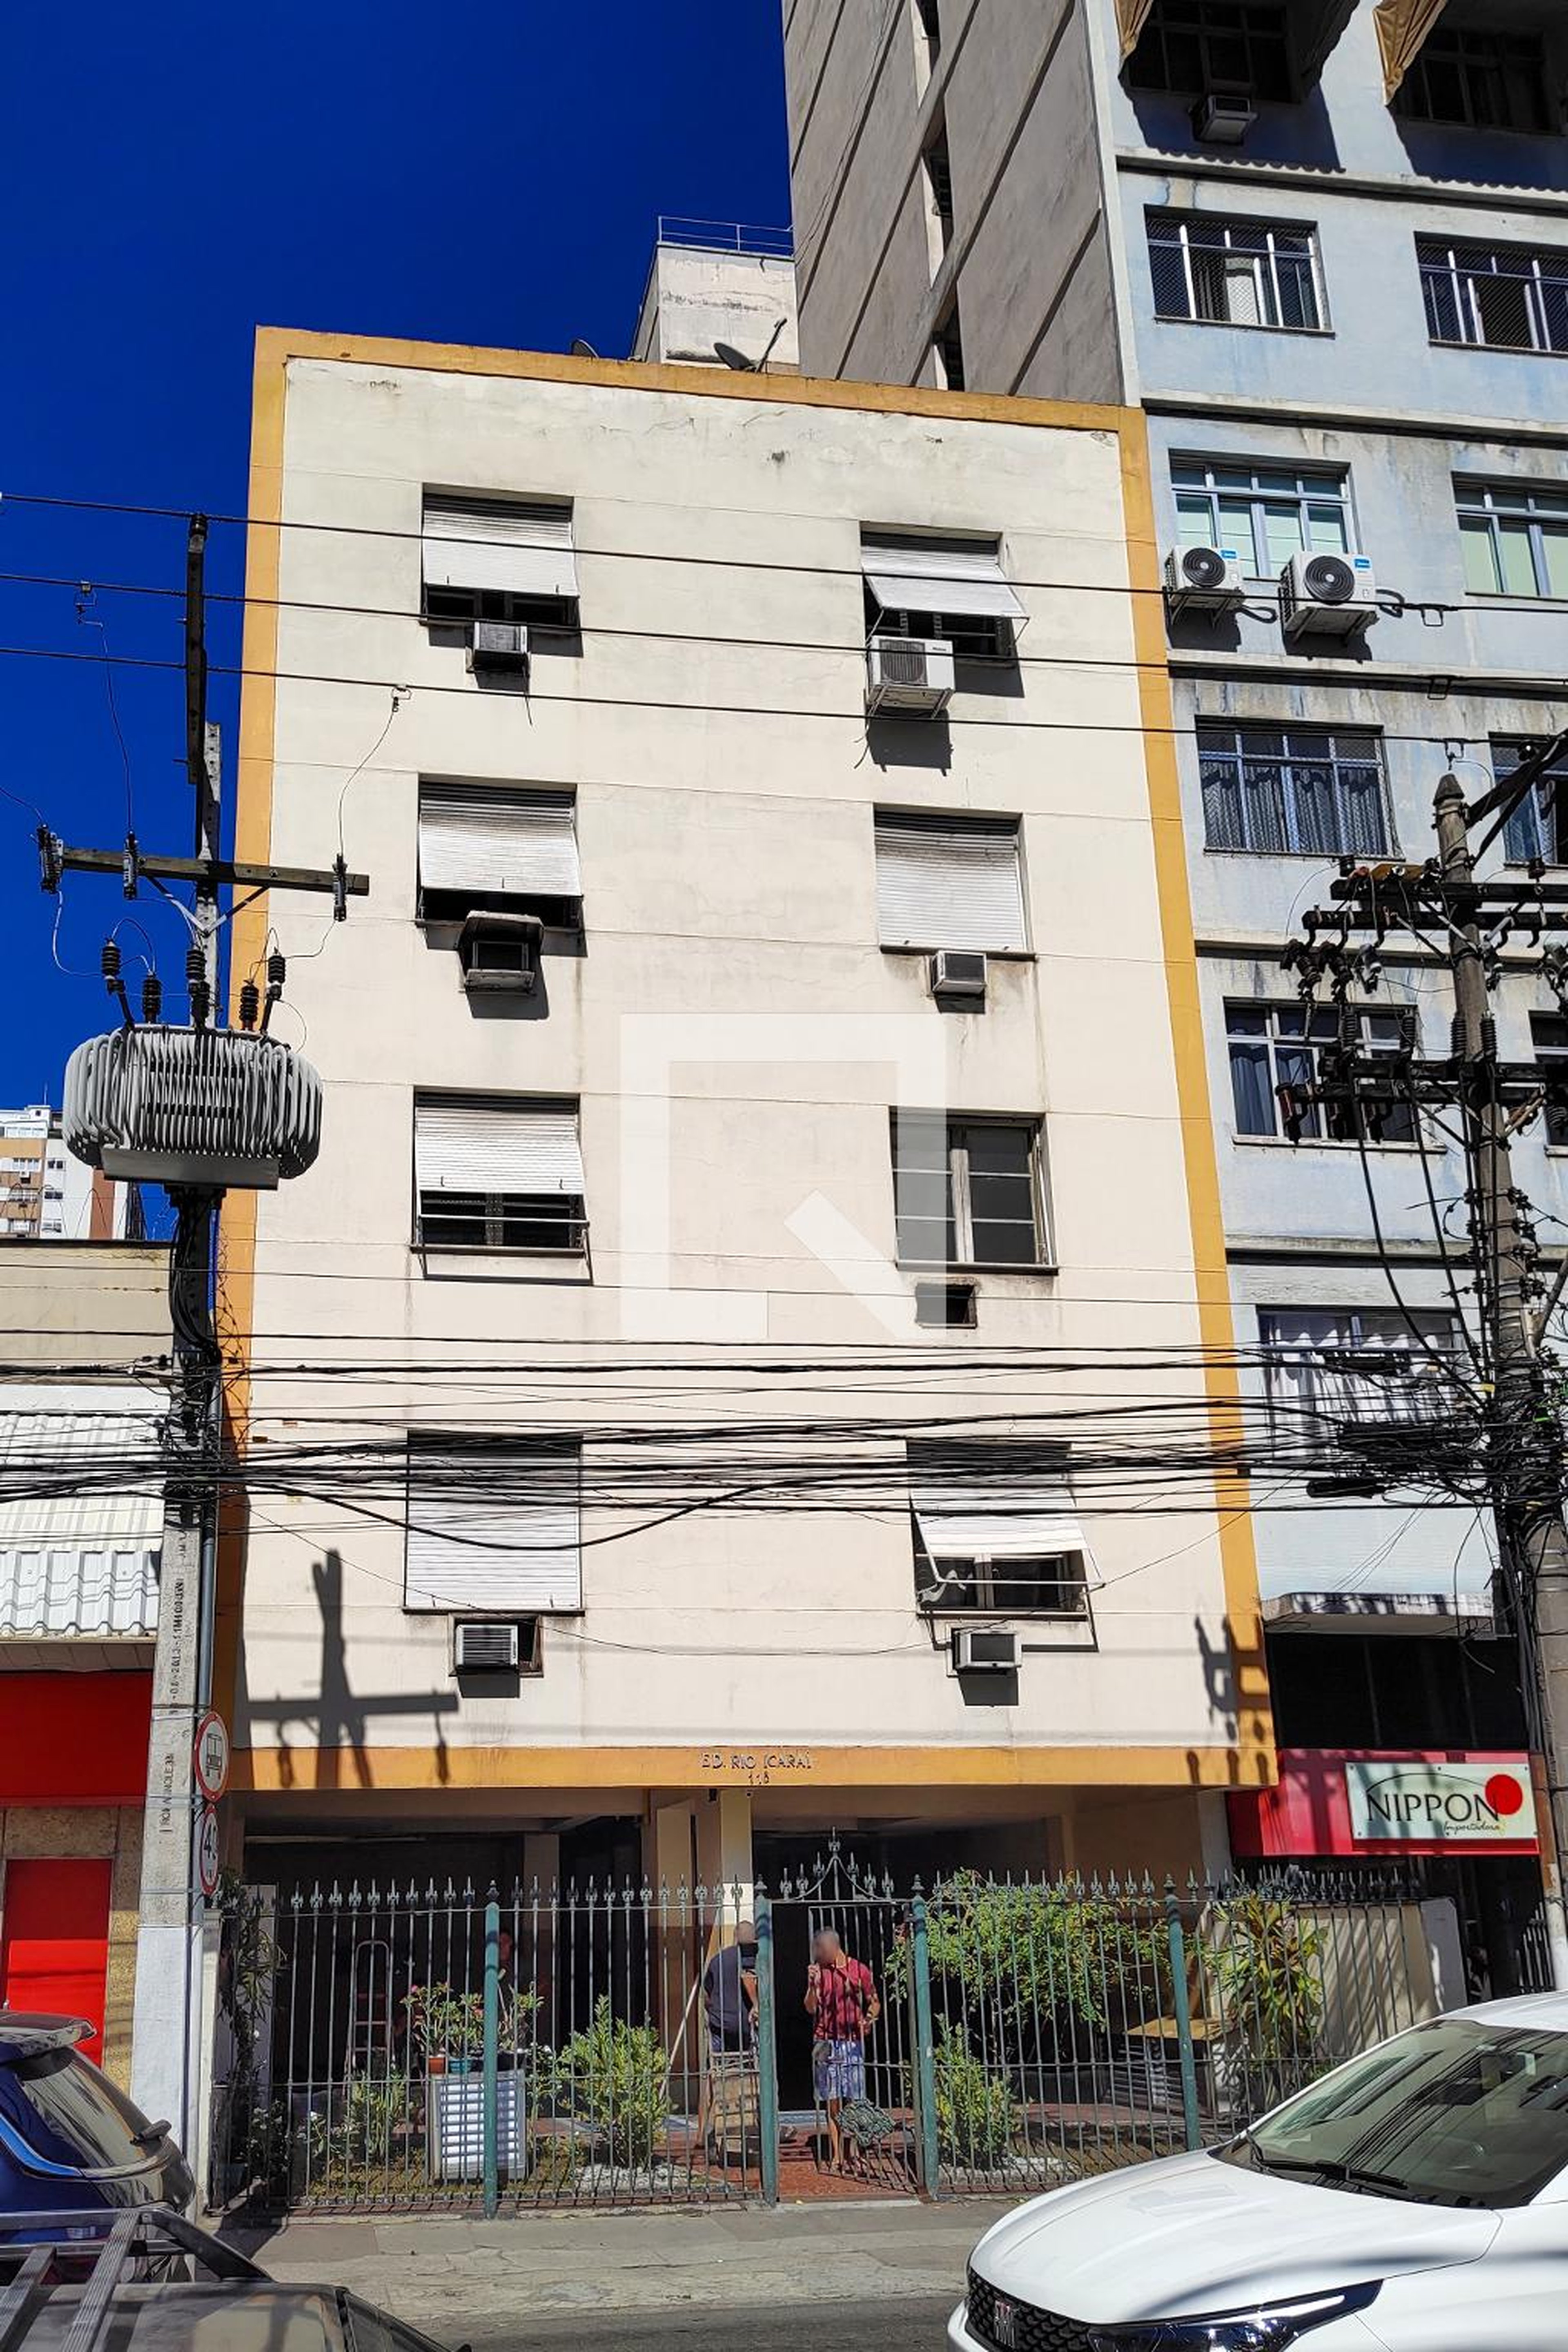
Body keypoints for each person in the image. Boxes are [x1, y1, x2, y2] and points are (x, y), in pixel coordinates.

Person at [805, 1926, 880, 2176]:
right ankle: (837, 2154)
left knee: (855, 2099)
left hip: (852, 2041)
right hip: (825, 2041)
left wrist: (869, 2019)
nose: (817, 1953)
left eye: (820, 1949)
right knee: (833, 2100)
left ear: (833, 1947)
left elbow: (875, 2002)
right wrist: (813, 1986)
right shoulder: (820, 1972)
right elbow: (810, 2008)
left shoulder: (859, 1971)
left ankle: (854, 2151)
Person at [701, 1924, 759, 2158]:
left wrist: (715, 2011)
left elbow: (706, 1995)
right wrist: (755, 2004)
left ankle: (702, 2133)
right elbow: (748, 1979)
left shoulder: (716, 1960)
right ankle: (746, 2130)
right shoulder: (750, 1958)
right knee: (749, 2075)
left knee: (714, 2075)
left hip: (719, 2026)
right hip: (743, 2028)